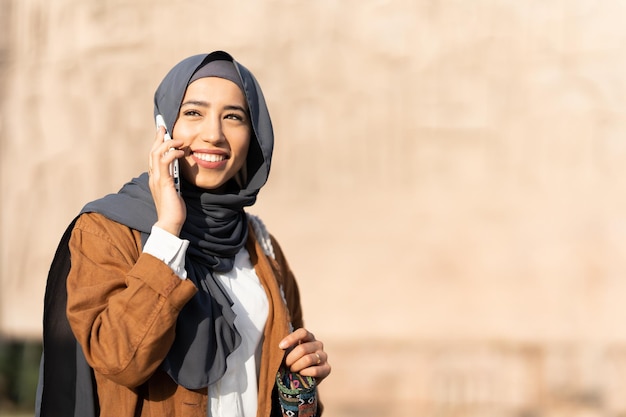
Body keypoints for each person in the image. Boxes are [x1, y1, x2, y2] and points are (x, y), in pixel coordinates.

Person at [35, 50, 330, 417]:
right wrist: (168, 234)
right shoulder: (106, 231)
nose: (214, 134)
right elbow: (119, 360)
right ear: (165, 126)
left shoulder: (260, 246)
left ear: (253, 137)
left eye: (234, 117)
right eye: (193, 112)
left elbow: (273, 392)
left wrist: (299, 389)